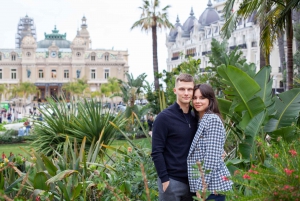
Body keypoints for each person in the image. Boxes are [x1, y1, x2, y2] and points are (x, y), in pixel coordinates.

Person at [151, 74, 198, 201]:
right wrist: (165, 181)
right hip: (172, 182)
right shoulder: (164, 118)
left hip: (194, 183)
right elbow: (156, 151)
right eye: (182, 89)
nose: (186, 93)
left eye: (190, 89)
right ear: (175, 90)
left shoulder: (196, 117)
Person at [187, 84, 233, 201]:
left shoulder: (212, 120)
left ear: (210, 100)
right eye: (195, 98)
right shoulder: (200, 119)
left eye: (202, 98)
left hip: (213, 187)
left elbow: (211, 158)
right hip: (207, 185)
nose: (197, 101)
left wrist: (202, 187)